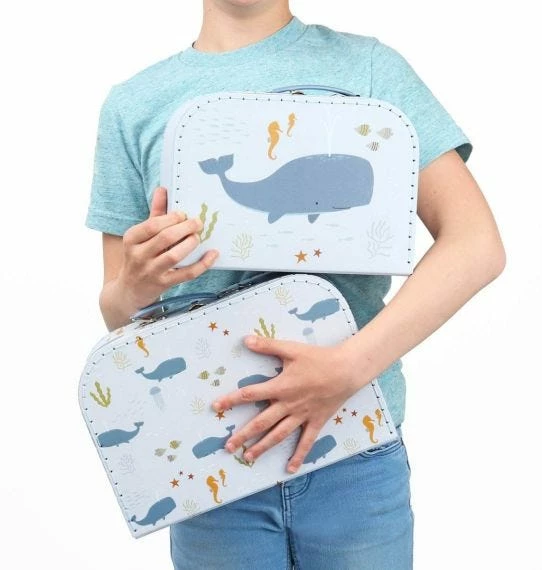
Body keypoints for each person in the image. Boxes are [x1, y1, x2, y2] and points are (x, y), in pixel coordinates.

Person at [85, 1, 506, 568]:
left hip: (355, 450)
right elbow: (118, 315)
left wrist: (349, 367)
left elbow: (476, 243)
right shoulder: (133, 103)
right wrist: (135, 284)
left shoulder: (370, 69)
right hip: (211, 461)